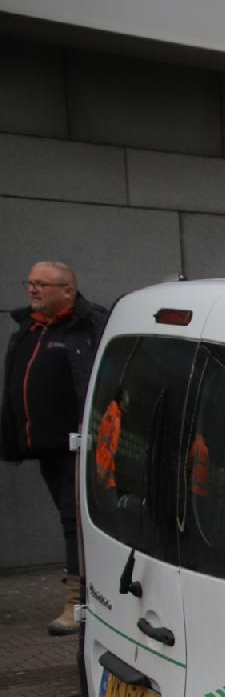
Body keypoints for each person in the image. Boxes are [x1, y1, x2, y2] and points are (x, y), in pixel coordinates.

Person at [2, 261, 108, 635]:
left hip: (80, 445)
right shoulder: (28, 329)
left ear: (67, 290)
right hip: (45, 445)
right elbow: (14, 387)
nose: (32, 290)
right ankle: (83, 595)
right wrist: (13, 443)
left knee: (74, 521)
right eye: (30, 283)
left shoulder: (90, 326)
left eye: (42, 285)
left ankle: (77, 602)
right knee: (70, 520)